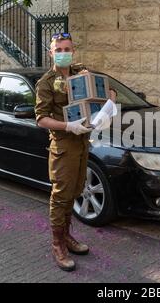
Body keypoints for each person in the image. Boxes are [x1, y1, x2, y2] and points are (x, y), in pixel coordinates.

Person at [34, 32, 92, 271]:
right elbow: (41, 119)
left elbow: (107, 91)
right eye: (58, 50)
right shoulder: (46, 82)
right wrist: (68, 126)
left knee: (76, 190)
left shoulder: (81, 72)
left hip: (82, 142)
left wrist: (108, 100)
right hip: (63, 144)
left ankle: (67, 236)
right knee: (61, 195)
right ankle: (58, 244)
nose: (63, 54)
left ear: (73, 51)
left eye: (67, 49)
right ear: (51, 53)